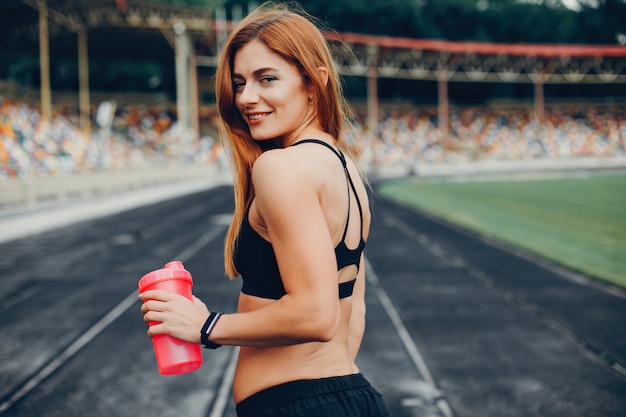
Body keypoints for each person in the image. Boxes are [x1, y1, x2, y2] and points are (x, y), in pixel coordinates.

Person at [139, 3, 392, 416]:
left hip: (294, 404)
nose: (246, 98)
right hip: (352, 395)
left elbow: (317, 313)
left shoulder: (279, 167)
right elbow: (353, 311)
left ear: (314, 84)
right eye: (239, 83)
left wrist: (205, 326)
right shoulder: (345, 171)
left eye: (266, 79)